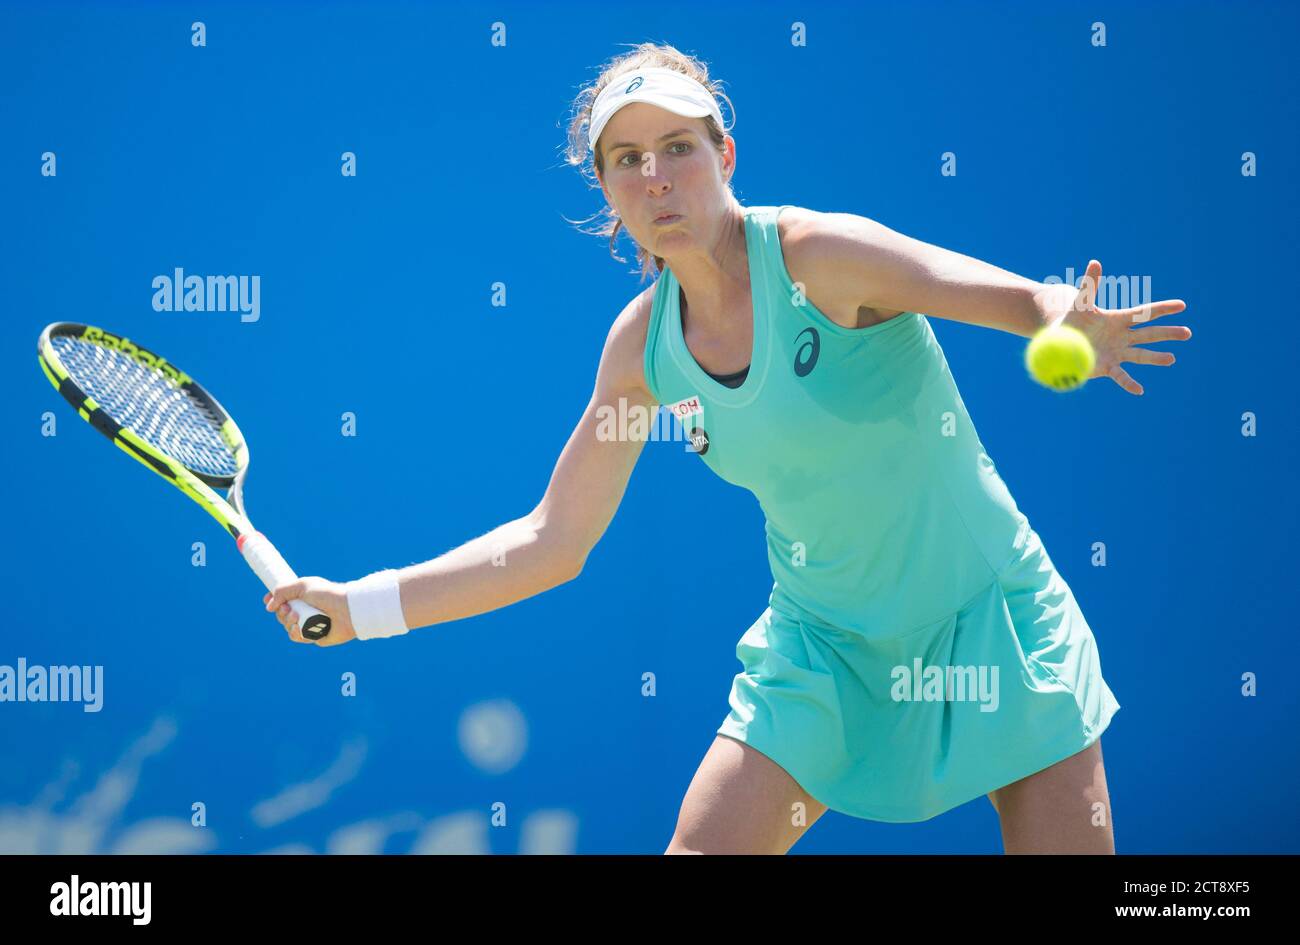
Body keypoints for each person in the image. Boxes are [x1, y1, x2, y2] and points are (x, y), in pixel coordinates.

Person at [264, 43, 1192, 854]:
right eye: (627, 160)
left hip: (993, 617)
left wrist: (1060, 315)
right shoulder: (642, 354)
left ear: (725, 154)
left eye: (678, 147)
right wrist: (358, 608)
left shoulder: (822, 257)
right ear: (608, 194)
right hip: (824, 650)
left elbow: (1007, 300)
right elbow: (552, 542)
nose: (656, 176)